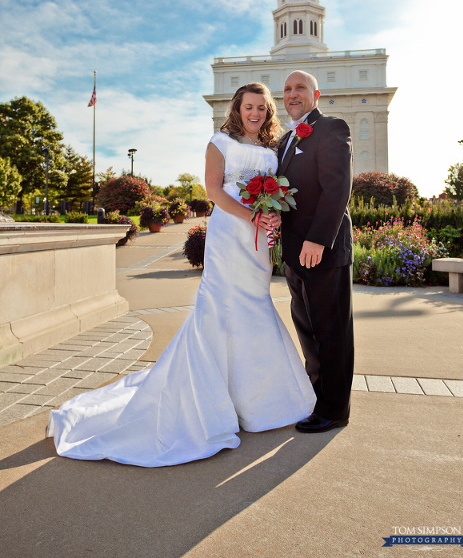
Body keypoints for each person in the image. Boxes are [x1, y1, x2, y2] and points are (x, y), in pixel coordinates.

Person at [46, 82, 315, 467]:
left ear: (268, 112)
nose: (255, 113)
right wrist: (253, 215)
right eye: (248, 107)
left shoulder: (272, 148)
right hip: (231, 234)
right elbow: (215, 193)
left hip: (258, 241)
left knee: (254, 305)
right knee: (223, 309)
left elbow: (276, 192)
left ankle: (255, 402)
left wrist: (272, 214)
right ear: (237, 109)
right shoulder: (218, 143)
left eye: (262, 108)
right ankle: (212, 400)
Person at [279, 70, 354, 433]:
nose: (293, 94)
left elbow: (338, 188)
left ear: (316, 94)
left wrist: (319, 239)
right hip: (294, 252)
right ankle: (316, 395)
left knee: (331, 330)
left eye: (300, 88)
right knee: (308, 329)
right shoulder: (285, 140)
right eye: (288, 89)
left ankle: (335, 409)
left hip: (322, 249)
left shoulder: (332, 127)